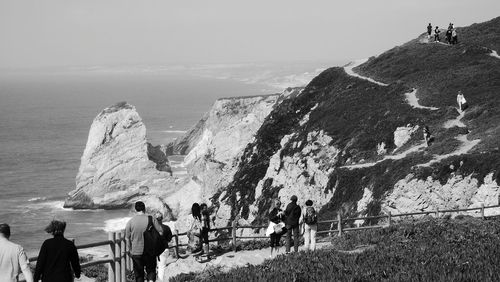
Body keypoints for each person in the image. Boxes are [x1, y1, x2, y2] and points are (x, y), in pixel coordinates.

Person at [125, 201, 163, 282]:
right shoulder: (151, 219)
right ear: (144, 209)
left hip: (136, 252)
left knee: (139, 275)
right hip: (150, 251)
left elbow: (127, 238)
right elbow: (160, 232)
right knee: (151, 271)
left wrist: (130, 250)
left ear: (136, 209)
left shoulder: (130, 222)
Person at [155, 212, 172, 282]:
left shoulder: (151, 229)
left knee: (155, 267)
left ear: (155, 219)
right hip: (164, 249)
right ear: (162, 218)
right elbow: (169, 239)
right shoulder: (166, 228)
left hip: (154, 250)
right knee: (162, 268)